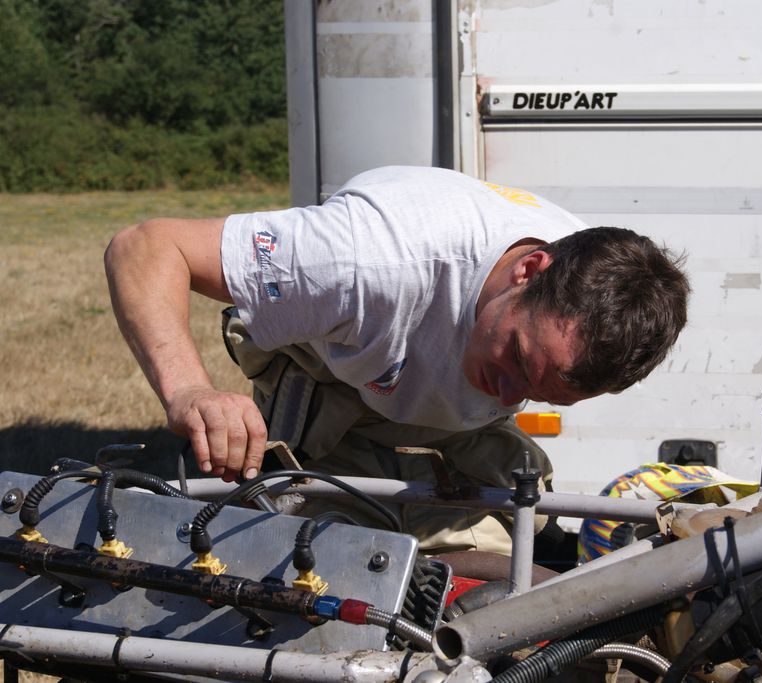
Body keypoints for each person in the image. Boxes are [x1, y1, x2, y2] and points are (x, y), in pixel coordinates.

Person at [105, 165, 691, 553]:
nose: (509, 393)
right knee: (299, 559)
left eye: (538, 391)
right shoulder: (370, 260)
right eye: (516, 357)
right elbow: (147, 247)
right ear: (529, 270)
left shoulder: (591, 299)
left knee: (512, 569)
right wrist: (189, 390)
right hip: (332, 390)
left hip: (432, 405)